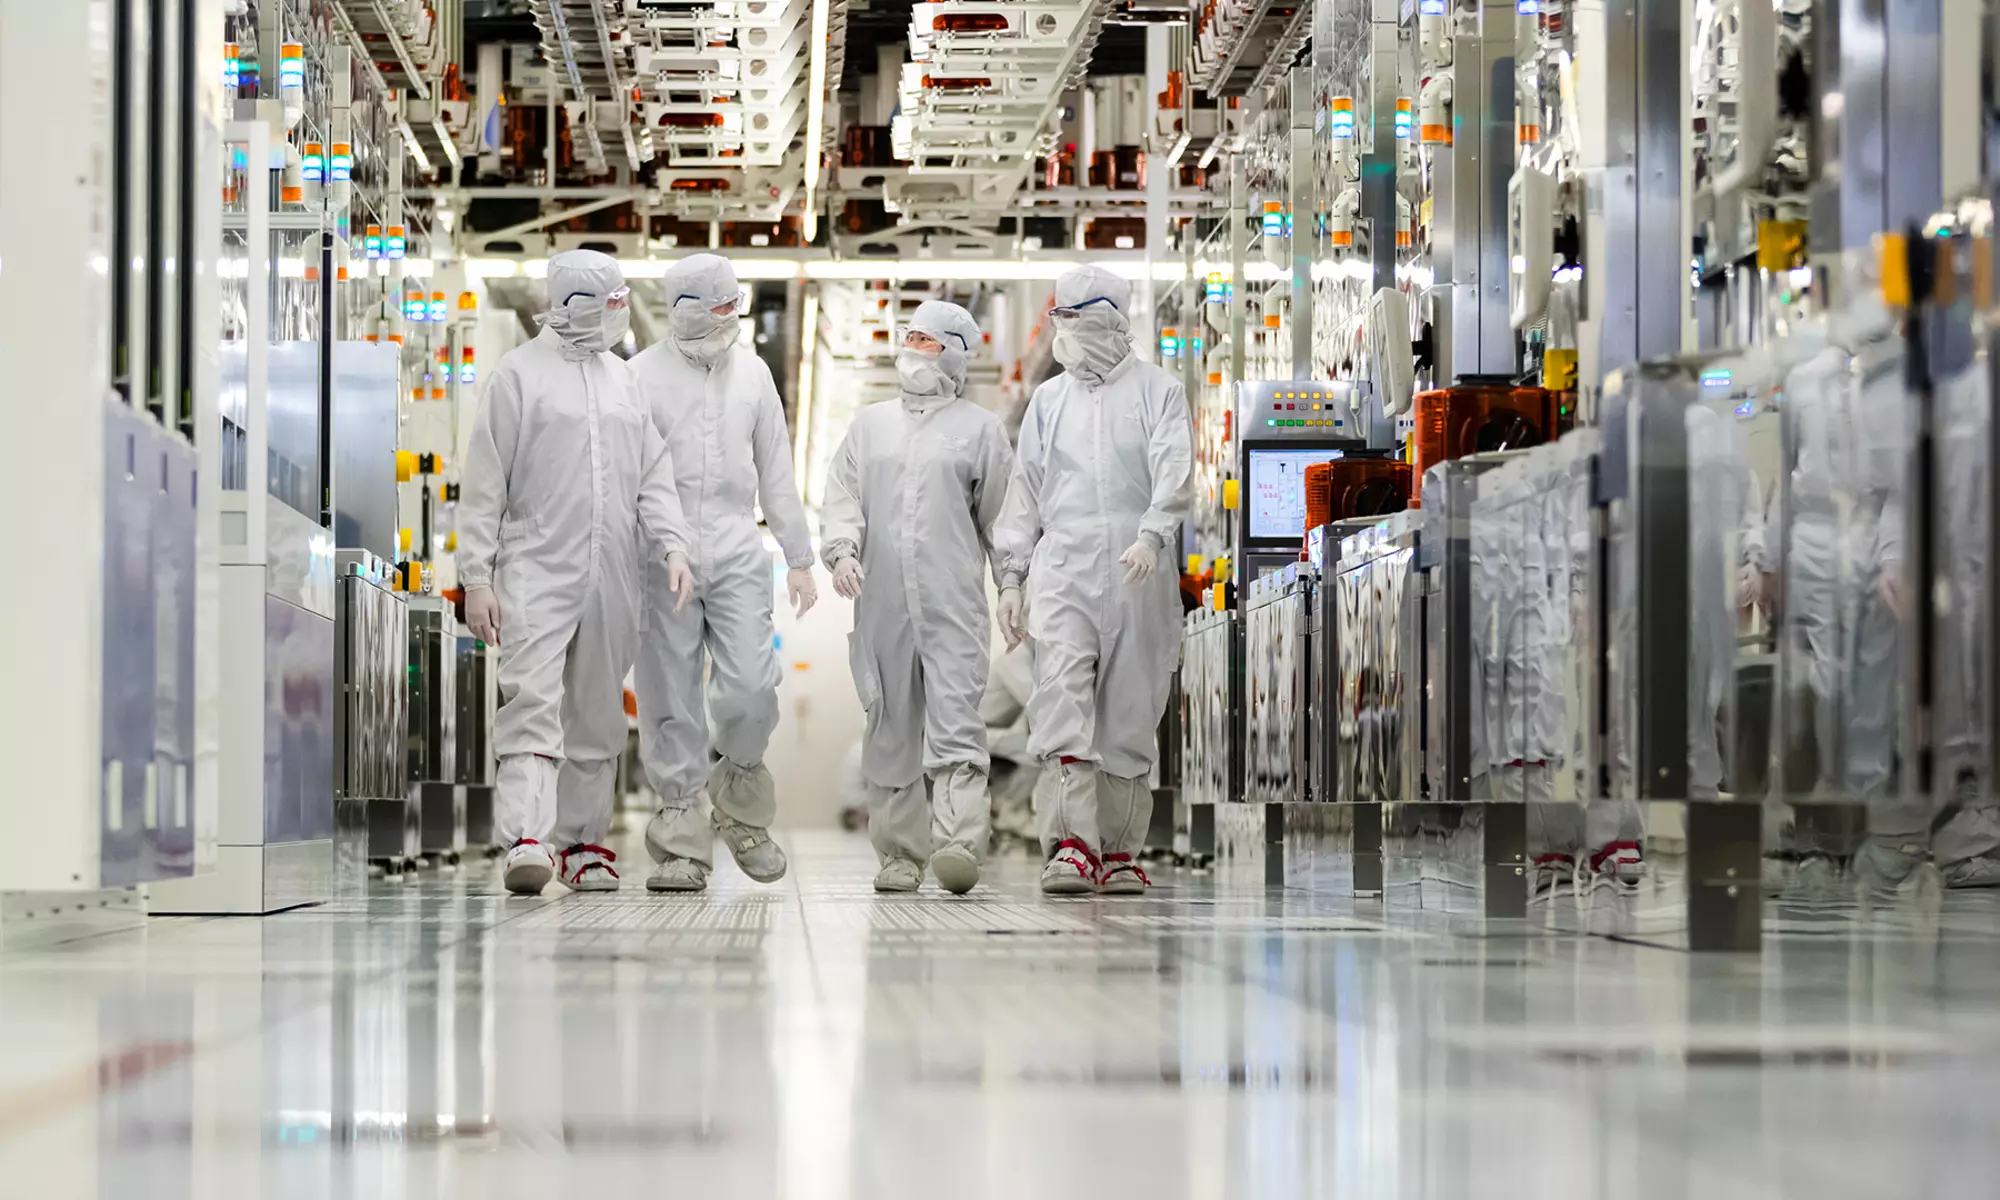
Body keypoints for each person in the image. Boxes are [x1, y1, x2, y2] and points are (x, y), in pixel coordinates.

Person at [457, 249, 694, 896]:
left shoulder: (624, 383)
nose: (622, 313)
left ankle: (583, 843)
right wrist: (475, 576)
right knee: (530, 700)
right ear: (579, 305)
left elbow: (653, 475)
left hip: (612, 570)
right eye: (614, 302)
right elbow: (483, 484)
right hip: (535, 563)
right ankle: (527, 839)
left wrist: (672, 543)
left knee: (596, 713)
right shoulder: (517, 377)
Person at [992, 265, 1194, 895]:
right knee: (1061, 702)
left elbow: (1175, 468)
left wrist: (1154, 533)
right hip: (1066, 569)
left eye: (1076, 320)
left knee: (1131, 714)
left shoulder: (1159, 390)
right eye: (1060, 319)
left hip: (1140, 570)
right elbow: (1024, 494)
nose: (1065, 333)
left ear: (1111, 320)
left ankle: (1121, 851)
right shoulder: (1050, 401)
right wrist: (1012, 578)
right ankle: (1072, 845)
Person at [629, 254, 817, 893]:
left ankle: (739, 806)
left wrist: (799, 558)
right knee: (669, 697)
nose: (729, 320)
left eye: (733, 308)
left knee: (749, 688)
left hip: (739, 544)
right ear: (681, 313)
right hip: (663, 553)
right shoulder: (640, 377)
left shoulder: (755, 375)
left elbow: (777, 473)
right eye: (717, 310)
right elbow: (629, 479)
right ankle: (682, 837)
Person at [820, 300, 1012, 894]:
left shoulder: (980, 430)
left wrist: (1012, 585)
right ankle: (901, 853)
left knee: (957, 722)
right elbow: (841, 497)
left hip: (952, 600)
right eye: (909, 337)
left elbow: (1002, 519)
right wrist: (842, 550)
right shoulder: (869, 425)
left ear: (955, 352)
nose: (913, 348)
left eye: (927, 340)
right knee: (890, 729)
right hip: (881, 604)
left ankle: (958, 842)